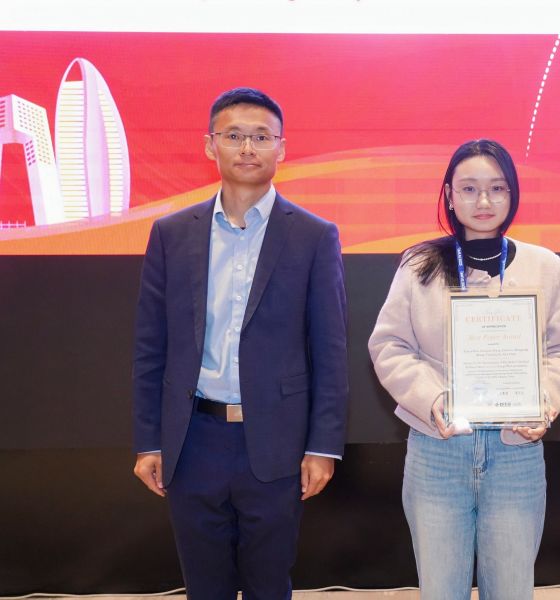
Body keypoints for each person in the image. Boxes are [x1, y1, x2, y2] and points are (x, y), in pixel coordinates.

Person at [131, 87, 348, 600]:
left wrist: (322, 446)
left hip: (276, 440)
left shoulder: (314, 236)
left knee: (269, 584)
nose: (247, 148)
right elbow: (150, 346)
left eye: (261, 137)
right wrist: (148, 441)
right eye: (233, 136)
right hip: (193, 439)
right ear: (210, 145)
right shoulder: (171, 233)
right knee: (204, 586)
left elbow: (331, 351)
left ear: (281, 149)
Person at [369, 139, 560, 599]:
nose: (483, 201)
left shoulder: (544, 266)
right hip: (438, 449)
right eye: (469, 188)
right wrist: (432, 398)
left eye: (497, 188)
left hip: (515, 451)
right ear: (449, 196)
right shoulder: (419, 264)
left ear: (513, 193)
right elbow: (389, 345)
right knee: (441, 589)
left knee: (511, 589)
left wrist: (543, 403)